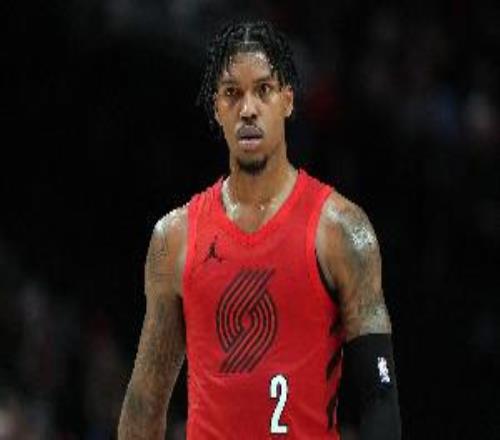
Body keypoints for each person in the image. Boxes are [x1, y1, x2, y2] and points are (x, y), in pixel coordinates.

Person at [118, 19, 401, 439]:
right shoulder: (174, 238)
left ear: (287, 100)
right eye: (232, 93)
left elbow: (379, 397)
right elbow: (146, 401)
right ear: (217, 107)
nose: (247, 109)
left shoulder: (342, 230)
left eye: (263, 90)